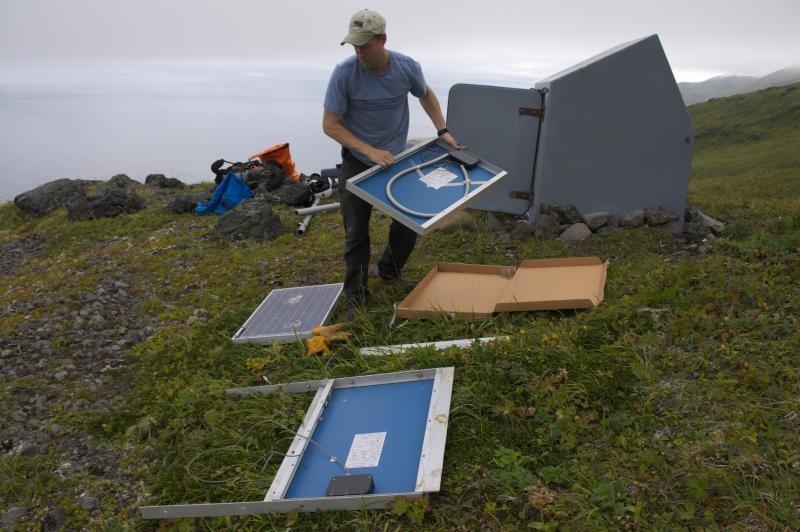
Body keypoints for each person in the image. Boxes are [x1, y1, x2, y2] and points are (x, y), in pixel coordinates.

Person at [322, 8, 458, 317]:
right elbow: (330, 124)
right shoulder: (344, 73)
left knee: (410, 220)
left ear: (382, 39)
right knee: (356, 229)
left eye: (365, 45)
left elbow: (426, 95)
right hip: (359, 159)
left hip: (397, 156)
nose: (360, 53)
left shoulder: (406, 67)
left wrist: (443, 129)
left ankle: (390, 271)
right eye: (354, 45)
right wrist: (368, 151)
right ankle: (356, 294)